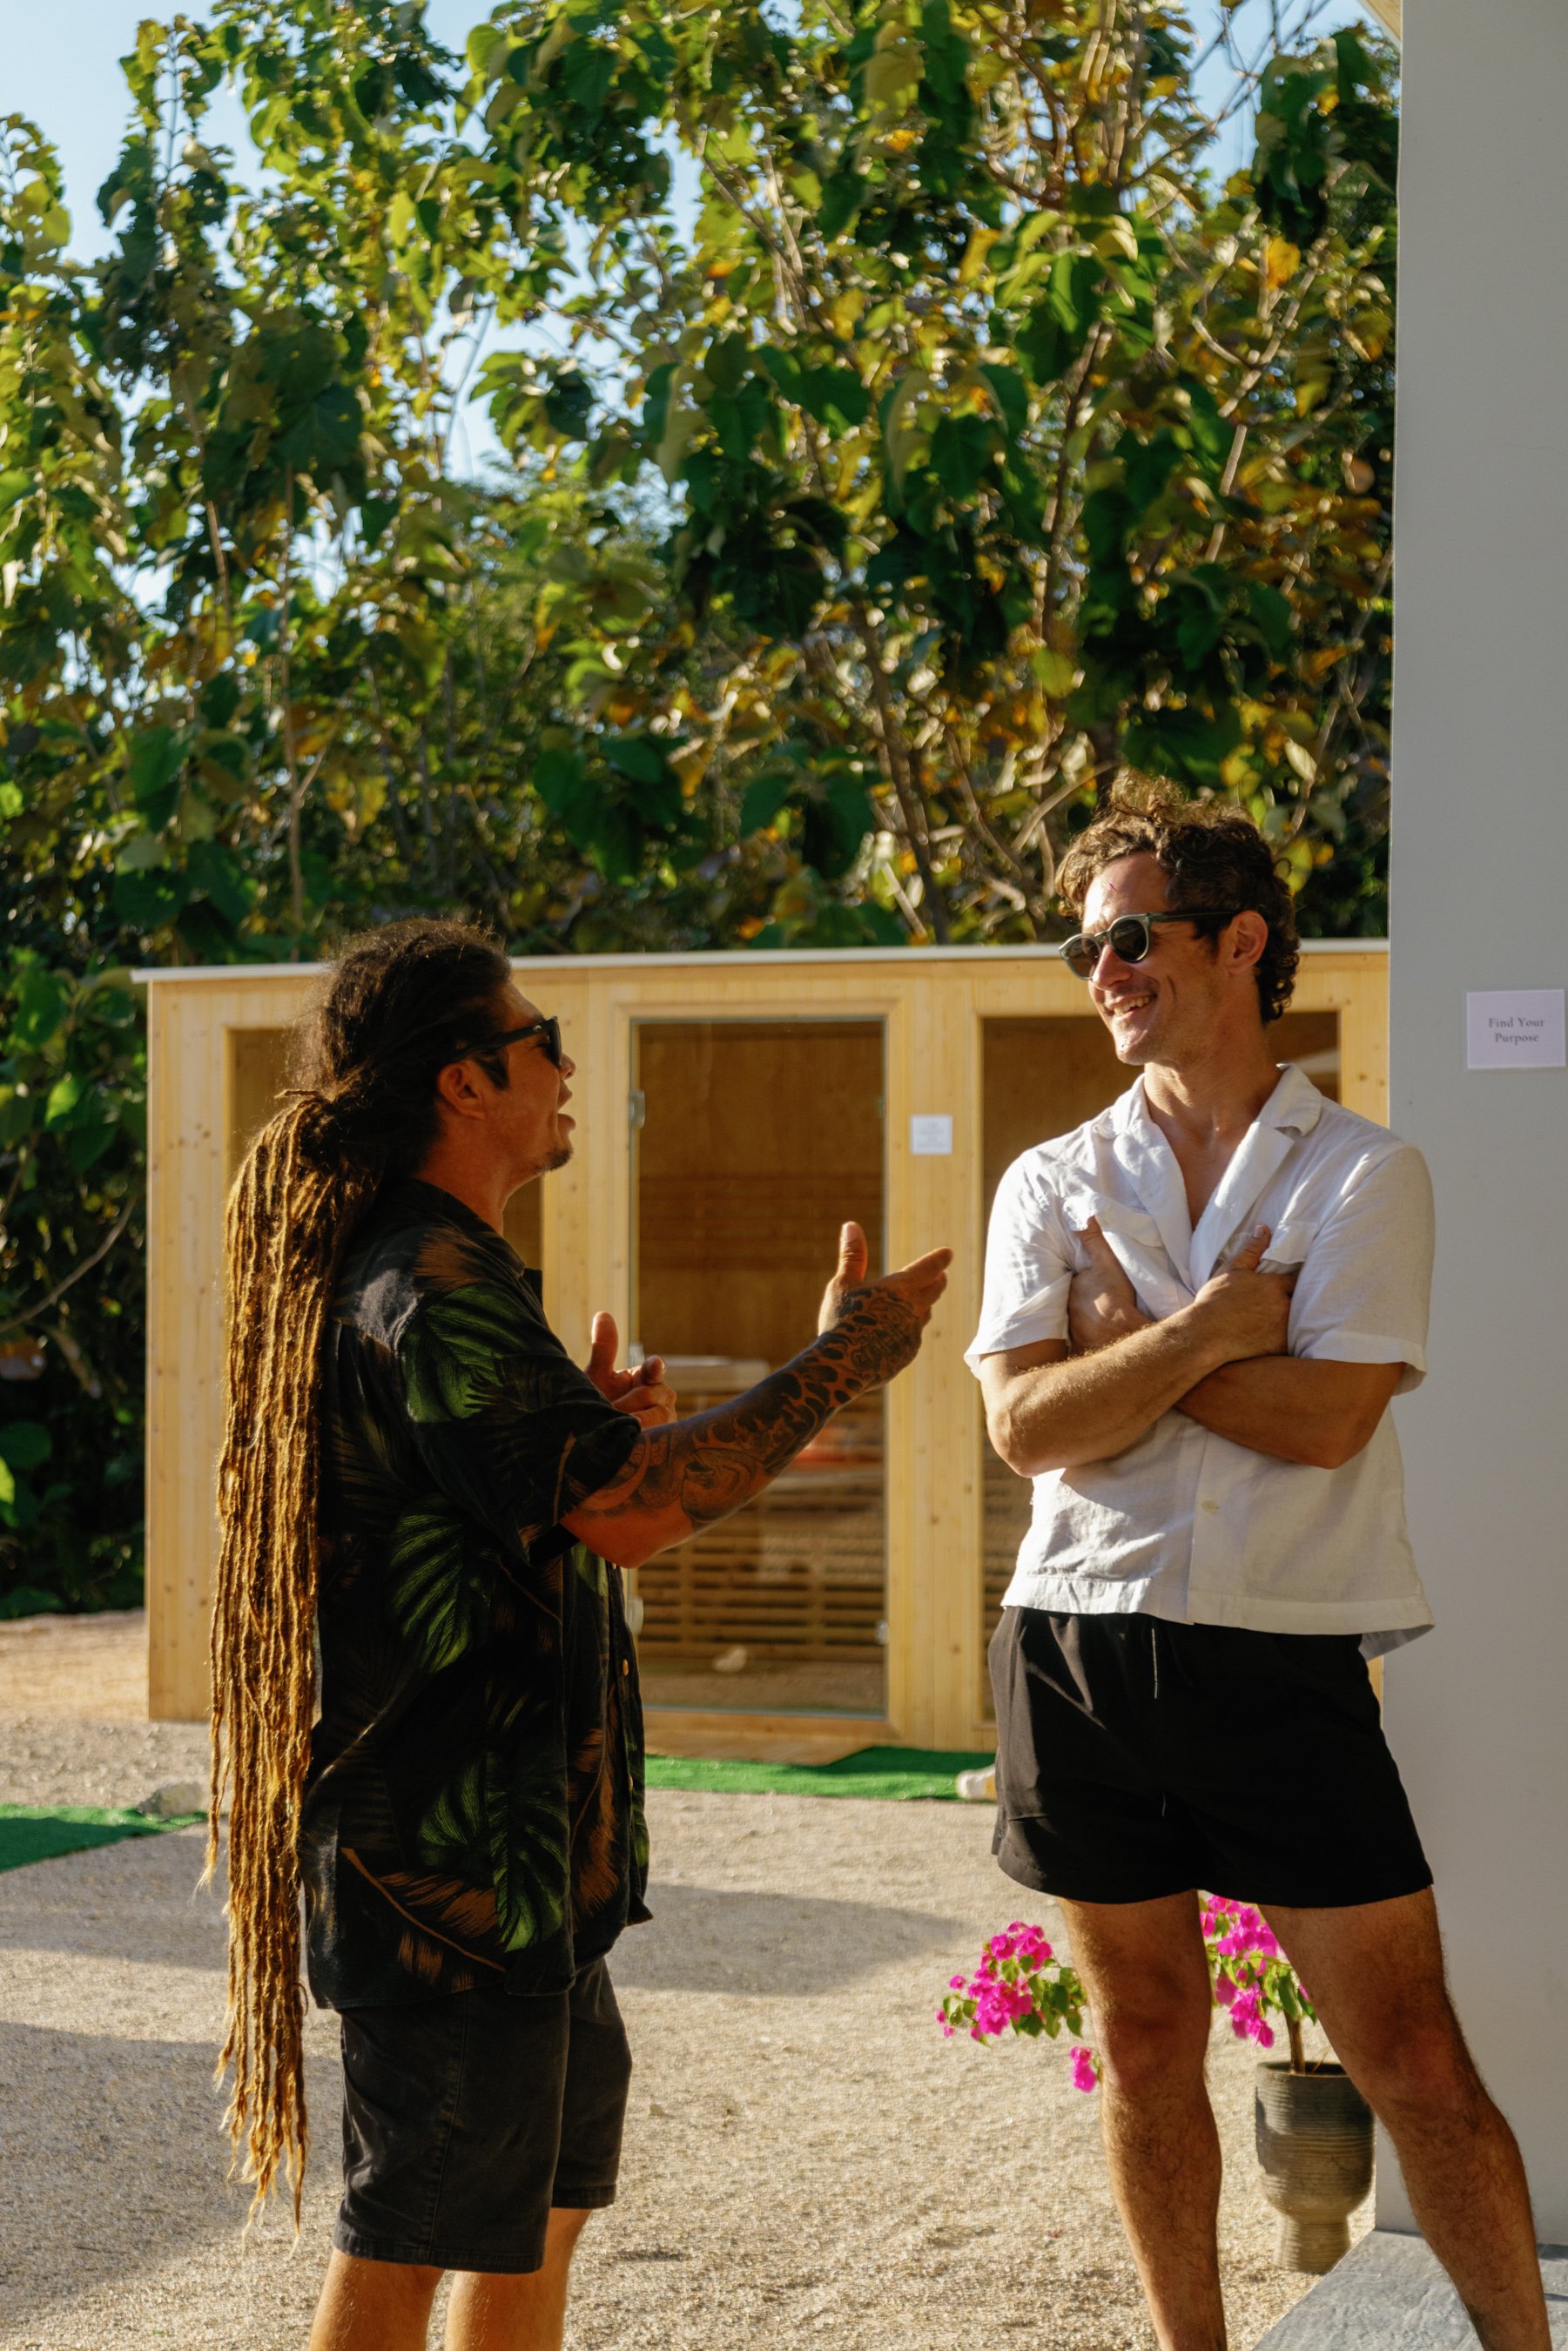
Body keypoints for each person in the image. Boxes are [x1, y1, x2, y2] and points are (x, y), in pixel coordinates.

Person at [207, 917, 949, 2351]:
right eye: (541, 1041)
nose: (565, 1066)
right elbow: (630, 1512)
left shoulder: (445, 1270)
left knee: (535, 2211)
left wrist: (586, 1437)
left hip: (515, 1868)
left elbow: (557, 1493)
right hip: (448, 1877)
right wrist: (840, 1364)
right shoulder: (429, 1281)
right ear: (465, 1082)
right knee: (411, 2240)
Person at [968, 775, 1550, 2351]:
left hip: (1280, 1649)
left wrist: (1128, 1351)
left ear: (1239, 941)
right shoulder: (1048, 1179)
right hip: (1074, 1640)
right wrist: (1217, 1331)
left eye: (1130, 939)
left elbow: (1323, 1422)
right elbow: (1023, 1428)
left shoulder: (1361, 1172)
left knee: (1408, 2055)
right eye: (1084, 950)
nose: (1102, 974)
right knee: (1144, 2041)